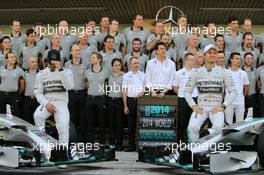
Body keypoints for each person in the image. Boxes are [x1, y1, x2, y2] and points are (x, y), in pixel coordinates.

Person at [184, 44, 237, 142]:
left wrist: (223, 106)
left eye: (214, 53)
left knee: (218, 128)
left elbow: (234, 92)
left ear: (217, 56)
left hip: (216, 108)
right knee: (192, 128)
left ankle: (212, 154)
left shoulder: (224, 72)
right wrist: (193, 106)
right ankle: (194, 153)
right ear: (204, 56)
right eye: (209, 53)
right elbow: (187, 92)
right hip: (201, 107)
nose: (212, 55)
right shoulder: (196, 72)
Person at [34, 49, 74, 147]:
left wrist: (60, 70)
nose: (52, 64)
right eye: (50, 62)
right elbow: (38, 93)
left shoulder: (67, 71)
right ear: (47, 61)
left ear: (60, 61)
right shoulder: (41, 74)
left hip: (61, 103)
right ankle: (42, 146)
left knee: (63, 125)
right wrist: (46, 103)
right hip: (48, 101)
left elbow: (70, 87)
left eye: (55, 62)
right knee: (37, 115)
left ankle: (63, 152)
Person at [173, 53, 198, 142]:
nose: (193, 61)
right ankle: (181, 143)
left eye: (193, 59)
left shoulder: (197, 72)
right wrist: (181, 93)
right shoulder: (178, 73)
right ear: (185, 61)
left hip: (194, 99)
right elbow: (175, 87)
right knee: (182, 122)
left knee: (192, 123)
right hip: (182, 100)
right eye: (190, 59)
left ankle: (192, 142)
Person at [64, 44, 87, 139]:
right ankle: (73, 138)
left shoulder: (86, 64)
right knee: (72, 117)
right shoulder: (67, 64)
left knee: (83, 117)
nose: (78, 52)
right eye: (76, 50)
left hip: (82, 93)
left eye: (79, 50)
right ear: (71, 52)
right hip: (71, 93)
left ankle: (82, 138)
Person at [84, 52, 108, 143]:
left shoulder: (105, 71)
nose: (91, 59)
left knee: (102, 122)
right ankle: (90, 144)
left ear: (99, 59)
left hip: (101, 99)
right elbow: (87, 84)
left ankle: (101, 144)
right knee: (90, 123)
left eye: (93, 57)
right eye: (91, 57)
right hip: (90, 99)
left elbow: (106, 84)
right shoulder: (87, 71)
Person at [122, 56, 145, 151]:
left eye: (138, 63)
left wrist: (143, 91)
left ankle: (140, 146)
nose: (137, 65)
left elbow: (147, 86)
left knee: (140, 124)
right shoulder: (126, 76)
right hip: (131, 101)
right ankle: (131, 146)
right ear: (130, 64)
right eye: (135, 63)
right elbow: (124, 91)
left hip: (141, 100)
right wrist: (125, 105)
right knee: (131, 125)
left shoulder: (143, 75)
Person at [224, 52, 249, 125]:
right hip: (228, 103)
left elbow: (246, 87)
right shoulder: (226, 72)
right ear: (231, 60)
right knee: (228, 125)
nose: (239, 60)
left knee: (240, 125)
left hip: (240, 103)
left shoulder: (244, 73)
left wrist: (241, 96)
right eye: (237, 58)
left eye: (240, 59)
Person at [107, 58, 124, 150]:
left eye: (119, 65)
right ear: (112, 67)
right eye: (115, 65)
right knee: (111, 123)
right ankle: (111, 143)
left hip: (119, 101)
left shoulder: (124, 76)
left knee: (119, 123)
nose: (117, 67)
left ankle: (119, 144)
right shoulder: (109, 76)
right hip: (110, 100)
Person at [0, 52, 25, 116]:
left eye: (14, 57)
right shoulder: (1, 69)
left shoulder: (20, 70)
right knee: (2, 115)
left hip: (13, 96)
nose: (13, 58)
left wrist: (17, 94)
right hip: (2, 95)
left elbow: (22, 86)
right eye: (11, 57)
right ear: (7, 59)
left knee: (15, 115)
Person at [23, 56, 39, 124]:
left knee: (37, 118)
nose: (35, 63)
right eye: (33, 62)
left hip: (37, 99)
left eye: (36, 61)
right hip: (27, 99)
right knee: (27, 119)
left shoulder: (41, 73)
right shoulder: (24, 73)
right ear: (29, 63)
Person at [242, 52, 258, 117]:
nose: (249, 60)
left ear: (253, 60)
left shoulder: (256, 71)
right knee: (242, 116)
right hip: (243, 97)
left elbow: (258, 84)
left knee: (252, 117)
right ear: (244, 59)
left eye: (251, 59)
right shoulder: (240, 71)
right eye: (247, 58)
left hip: (253, 97)